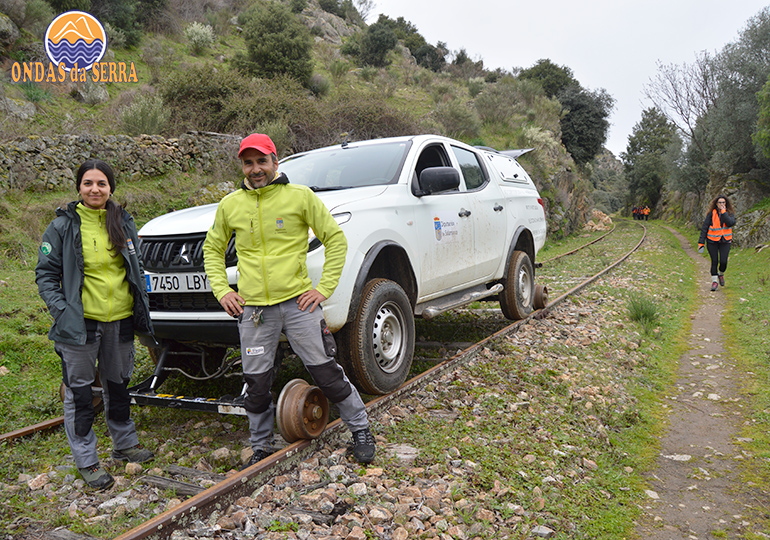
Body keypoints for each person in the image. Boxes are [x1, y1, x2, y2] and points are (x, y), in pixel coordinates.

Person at [202, 133, 375, 468]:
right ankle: (261, 446)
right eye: (248, 162)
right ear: (242, 165)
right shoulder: (230, 205)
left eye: (261, 161)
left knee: (326, 373)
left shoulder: (300, 197)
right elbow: (212, 249)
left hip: (299, 305)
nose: (255, 169)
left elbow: (336, 240)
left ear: (275, 161)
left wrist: (323, 288)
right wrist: (223, 290)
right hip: (254, 312)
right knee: (256, 383)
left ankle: (361, 430)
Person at [35, 159, 155, 490]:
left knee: (118, 386)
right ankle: (87, 461)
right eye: (88, 183)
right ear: (79, 187)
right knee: (80, 394)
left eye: (101, 183)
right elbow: (45, 274)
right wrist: (61, 309)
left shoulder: (123, 222)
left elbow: (136, 265)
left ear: (110, 188)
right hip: (80, 324)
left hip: (120, 319)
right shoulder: (62, 227)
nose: (95, 189)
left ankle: (124, 445)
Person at [698, 194, 736, 292]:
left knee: (723, 261)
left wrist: (724, 212)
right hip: (712, 241)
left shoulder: (729, 213)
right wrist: (701, 243)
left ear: (726, 203)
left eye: (723, 202)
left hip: (725, 241)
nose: (722, 204)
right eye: (720, 202)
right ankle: (714, 282)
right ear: (716, 203)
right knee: (714, 261)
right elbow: (704, 228)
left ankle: (721, 274)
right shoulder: (711, 214)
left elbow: (730, 223)